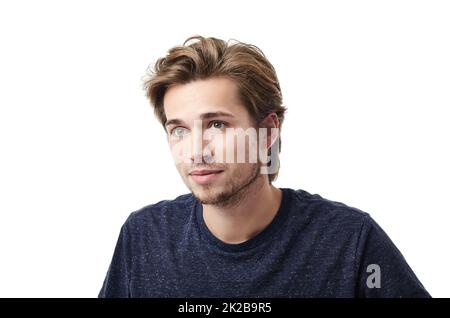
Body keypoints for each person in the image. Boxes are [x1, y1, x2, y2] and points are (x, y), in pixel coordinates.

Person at [99, 36, 430, 298]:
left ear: (268, 131)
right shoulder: (143, 238)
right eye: (179, 130)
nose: (195, 152)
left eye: (217, 125)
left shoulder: (349, 242)